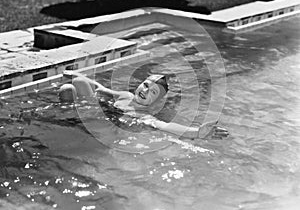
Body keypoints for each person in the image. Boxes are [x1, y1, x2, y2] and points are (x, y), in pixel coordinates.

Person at [59, 70, 229, 139]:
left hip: (102, 126)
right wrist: (76, 73)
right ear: (140, 84)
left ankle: (69, 116)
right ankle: (70, 113)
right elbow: (100, 88)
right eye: (146, 85)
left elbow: (165, 126)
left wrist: (197, 132)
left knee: (68, 89)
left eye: (153, 92)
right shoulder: (125, 96)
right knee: (77, 82)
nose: (146, 91)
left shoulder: (142, 115)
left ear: (156, 102)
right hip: (92, 112)